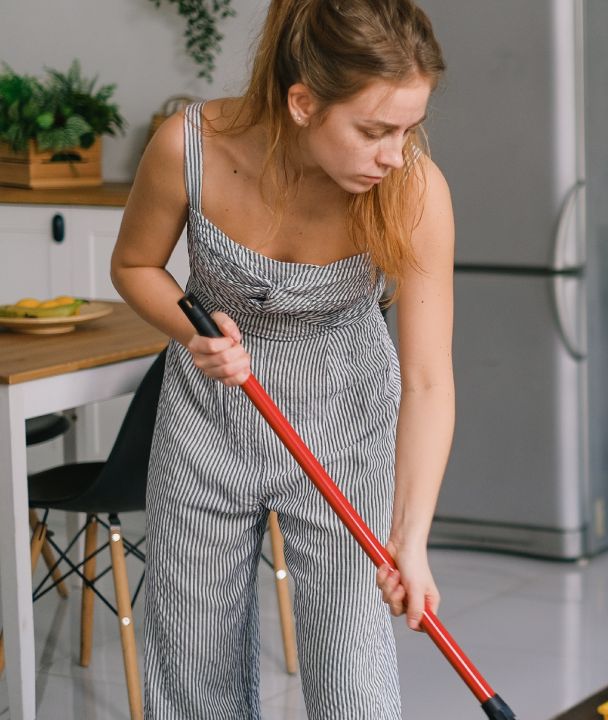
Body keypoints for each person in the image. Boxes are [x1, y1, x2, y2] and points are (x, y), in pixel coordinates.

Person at [110, 0, 452, 716]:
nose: (394, 154)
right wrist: (193, 333)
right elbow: (135, 265)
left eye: (408, 129)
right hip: (206, 425)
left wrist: (410, 539)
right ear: (303, 103)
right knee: (193, 672)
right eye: (374, 130)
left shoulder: (414, 189)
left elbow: (426, 381)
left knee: (354, 683)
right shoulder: (189, 147)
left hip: (347, 427)